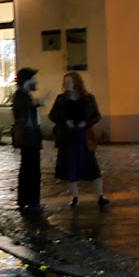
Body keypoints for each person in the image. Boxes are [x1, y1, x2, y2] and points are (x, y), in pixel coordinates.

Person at [49, 71, 108, 208]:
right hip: (67, 137)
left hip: (83, 136)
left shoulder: (88, 98)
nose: (67, 84)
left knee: (92, 166)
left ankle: (100, 195)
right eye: (65, 82)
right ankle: (75, 197)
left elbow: (96, 116)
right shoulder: (61, 99)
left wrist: (85, 123)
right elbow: (53, 116)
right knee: (70, 167)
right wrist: (64, 122)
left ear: (76, 83)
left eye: (69, 81)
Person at [12, 67, 44, 212]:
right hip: (28, 138)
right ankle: (31, 202)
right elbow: (23, 113)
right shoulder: (21, 96)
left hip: (30, 138)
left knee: (29, 168)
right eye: (33, 79)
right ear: (26, 81)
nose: (36, 82)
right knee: (31, 169)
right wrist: (37, 104)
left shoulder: (24, 96)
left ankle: (27, 200)